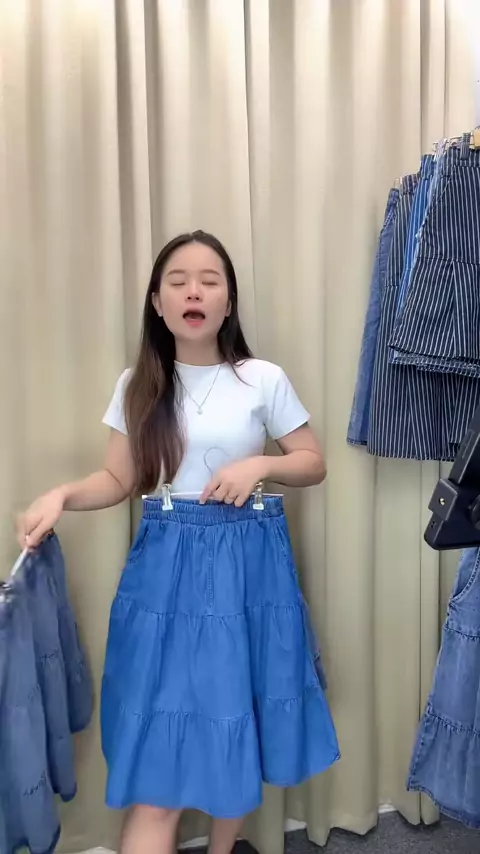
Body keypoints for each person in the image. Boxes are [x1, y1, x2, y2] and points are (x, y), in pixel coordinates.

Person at [17, 231, 339, 854]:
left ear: (228, 302)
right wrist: (60, 495)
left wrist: (259, 466)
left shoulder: (262, 378)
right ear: (157, 302)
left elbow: (312, 462)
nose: (195, 291)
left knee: (239, 709)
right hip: (166, 568)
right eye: (178, 281)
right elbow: (118, 480)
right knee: (157, 755)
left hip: (249, 565)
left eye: (210, 280)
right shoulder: (137, 385)